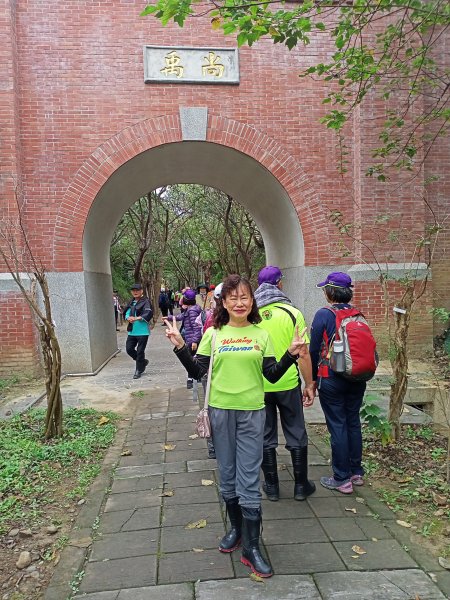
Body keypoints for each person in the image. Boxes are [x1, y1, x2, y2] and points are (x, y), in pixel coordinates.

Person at [163, 274, 307, 578]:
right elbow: (200, 370)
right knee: (227, 475)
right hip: (220, 412)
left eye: (244, 297)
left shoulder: (261, 334)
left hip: (253, 413)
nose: (239, 303)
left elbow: (271, 373)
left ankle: (253, 547)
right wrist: (179, 348)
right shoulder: (213, 334)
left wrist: (291, 355)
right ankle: (237, 529)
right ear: (223, 303)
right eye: (233, 298)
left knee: (248, 478)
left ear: (251, 301)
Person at [255, 266, 316, 502]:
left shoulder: (251, 315)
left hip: (259, 385)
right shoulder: (292, 313)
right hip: (287, 384)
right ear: (279, 284)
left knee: (265, 434)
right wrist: (309, 384)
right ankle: (301, 486)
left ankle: (271, 487)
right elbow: (303, 354)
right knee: (296, 431)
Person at [309, 271, 366, 494]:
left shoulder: (324, 314)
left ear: (330, 292)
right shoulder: (358, 314)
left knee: (337, 425)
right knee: (353, 422)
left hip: (331, 377)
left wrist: (311, 380)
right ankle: (356, 472)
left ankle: (342, 478)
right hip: (357, 376)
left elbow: (314, 349)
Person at [123, 283, 153, 379]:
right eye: (133, 290)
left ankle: (138, 370)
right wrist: (128, 318)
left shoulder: (146, 301)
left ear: (141, 291)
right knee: (129, 349)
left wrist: (136, 318)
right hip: (132, 331)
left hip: (143, 331)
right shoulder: (131, 302)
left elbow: (148, 313)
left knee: (140, 351)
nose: (135, 292)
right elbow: (126, 313)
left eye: (137, 290)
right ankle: (142, 362)